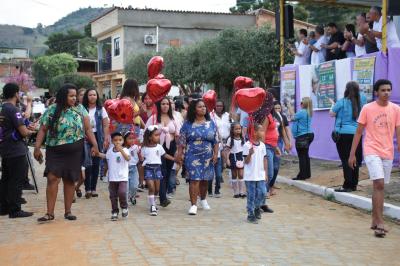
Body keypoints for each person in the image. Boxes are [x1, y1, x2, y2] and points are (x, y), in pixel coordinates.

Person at [34, 84, 99, 222]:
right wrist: (37, 147)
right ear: (64, 96)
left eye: (75, 95)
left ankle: (68, 212)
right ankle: (49, 213)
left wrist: (95, 145)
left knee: (69, 179)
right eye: (71, 96)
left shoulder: (80, 109)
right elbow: (43, 129)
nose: (74, 98)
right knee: (52, 178)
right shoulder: (52, 109)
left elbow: (88, 129)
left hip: (74, 150)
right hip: (54, 150)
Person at [348, 79, 400, 238]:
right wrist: (352, 154)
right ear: (376, 92)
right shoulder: (367, 108)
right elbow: (358, 132)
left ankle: (374, 219)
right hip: (371, 149)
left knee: (380, 186)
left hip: (388, 151)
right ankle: (380, 222)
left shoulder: (396, 109)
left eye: (388, 90)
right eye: (383, 90)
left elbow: (398, 130)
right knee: (378, 182)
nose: (386, 93)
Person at [177, 99, 219, 215]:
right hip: (192, 155)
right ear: (194, 109)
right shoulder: (187, 124)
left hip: (207, 156)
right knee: (194, 179)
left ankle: (203, 199)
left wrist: (215, 154)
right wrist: (179, 154)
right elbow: (181, 141)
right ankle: (193, 205)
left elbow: (216, 141)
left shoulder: (211, 124)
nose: (203, 108)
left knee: (205, 180)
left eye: (204, 106)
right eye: (200, 107)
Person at [0, 83, 36, 218]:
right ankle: (15, 210)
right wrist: (32, 131)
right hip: (16, 150)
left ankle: (3, 207)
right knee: (16, 180)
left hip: (5, 148)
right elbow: (23, 132)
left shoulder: (3, 108)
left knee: (6, 179)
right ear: (16, 94)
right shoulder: (13, 109)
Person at [330, 82, 366, 192]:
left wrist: (332, 104)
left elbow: (332, 113)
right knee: (355, 159)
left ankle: (347, 185)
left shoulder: (342, 102)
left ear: (346, 89)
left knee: (346, 160)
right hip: (358, 133)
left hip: (343, 134)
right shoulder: (363, 100)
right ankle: (354, 184)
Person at [146, 97, 180, 207]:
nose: (165, 106)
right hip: (157, 147)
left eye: (167, 104)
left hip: (171, 147)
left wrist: (179, 150)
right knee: (162, 172)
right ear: (158, 106)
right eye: (163, 104)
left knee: (169, 172)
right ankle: (163, 198)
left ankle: (162, 195)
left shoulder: (174, 118)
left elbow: (178, 134)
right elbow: (147, 132)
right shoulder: (154, 118)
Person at [140, 126, 176, 216]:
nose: (158, 137)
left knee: (157, 189)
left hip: (157, 169)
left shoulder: (159, 147)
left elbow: (165, 155)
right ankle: (152, 206)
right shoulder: (144, 148)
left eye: (158, 135)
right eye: (156, 135)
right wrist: (141, 177)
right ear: (149, 137)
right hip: (148, 169)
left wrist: (174, 159)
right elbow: (141, 161)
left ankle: (153, 201)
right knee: (151, 187)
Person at [82, 88, 110, 198]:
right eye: (90, 95)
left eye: (94, 94)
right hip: (85, 138)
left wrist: (106, 137)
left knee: (96, 164)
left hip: (98, 138)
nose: (92, 97)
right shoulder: (82, 109)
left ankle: (93, 189)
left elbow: (105, 125)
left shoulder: (101, 109)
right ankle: (87, 189)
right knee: (87, 163)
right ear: (86, 96)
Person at [98, 132, 130, 221]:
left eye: (120, 140)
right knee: (113, 196)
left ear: (123, 141)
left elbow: (128, 158)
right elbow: (106, 156)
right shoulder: (110, 150)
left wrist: (121, 150)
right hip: (112, 178)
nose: (118, 142)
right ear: (112, 141)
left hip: (122, 177)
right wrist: (97, 153)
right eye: (115, 140)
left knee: (122, 192)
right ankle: (114, 211)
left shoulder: (125, 150)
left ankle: (124, 207)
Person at [243, 124, 268, 224]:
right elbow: (246, 162)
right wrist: (250, 154)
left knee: (262, 193)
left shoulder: (262, 145)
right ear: (254, 132)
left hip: (260, 175)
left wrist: (265, 173)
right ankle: (250, 214)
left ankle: (257, 207)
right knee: (251, 195)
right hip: (250, 176)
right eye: (261, 130)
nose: (263, 132)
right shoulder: (247, 145)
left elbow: (265, 159)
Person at [208, 100, 230, 196]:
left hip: (226, 143)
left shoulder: (228, 115)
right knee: (212, 168)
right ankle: (210, 189)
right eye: (217, 106)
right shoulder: (211, 115)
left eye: (221, 105)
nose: (219, 107)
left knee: (220, 168)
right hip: (214, 143)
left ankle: (217, 189)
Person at [270, 101, 291, 194]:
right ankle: (268, 187)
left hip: (279, 141)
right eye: (275, 108)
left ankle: (271, 184)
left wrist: (288, 142)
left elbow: (284, 130)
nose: (278, 110)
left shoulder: (282, 117)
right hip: (269, 142)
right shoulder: (268, 117)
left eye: (279, 108)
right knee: (270, 165)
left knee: (276, 165)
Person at [291, 97, 314, 181]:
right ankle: (307, 174)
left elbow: (293, 118)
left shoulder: (302, 112)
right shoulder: (310, 112)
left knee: (302, 156)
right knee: (305, 154)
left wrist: (290, 107)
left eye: (301, 102)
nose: (300, 103)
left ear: (304, 104)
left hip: (302, 136)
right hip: (310, 134)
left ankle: (302, 175)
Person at [225, 122, 245, 198]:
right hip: (233, 157)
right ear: (232, 130)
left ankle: (241, 192)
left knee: (241, 174)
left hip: (241, 157)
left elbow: (245, 149)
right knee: (234, 175)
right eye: (236, 129)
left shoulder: (243, 139)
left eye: (239, 129)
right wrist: (227, 159)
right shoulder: (230, 139)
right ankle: (235, 192)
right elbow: (227, 150)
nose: (238, 130)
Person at [123, 131, 139, 205]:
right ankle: (125, 203)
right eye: (129, 138)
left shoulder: (136, 147)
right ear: (125, 139)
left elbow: (140, 157)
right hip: (124, 169)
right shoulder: (122, 149)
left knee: (134, 186)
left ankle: (132, 196)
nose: (132, 140)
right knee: (126, 188)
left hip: (133, 169)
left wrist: (141, 156)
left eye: (133, 138)